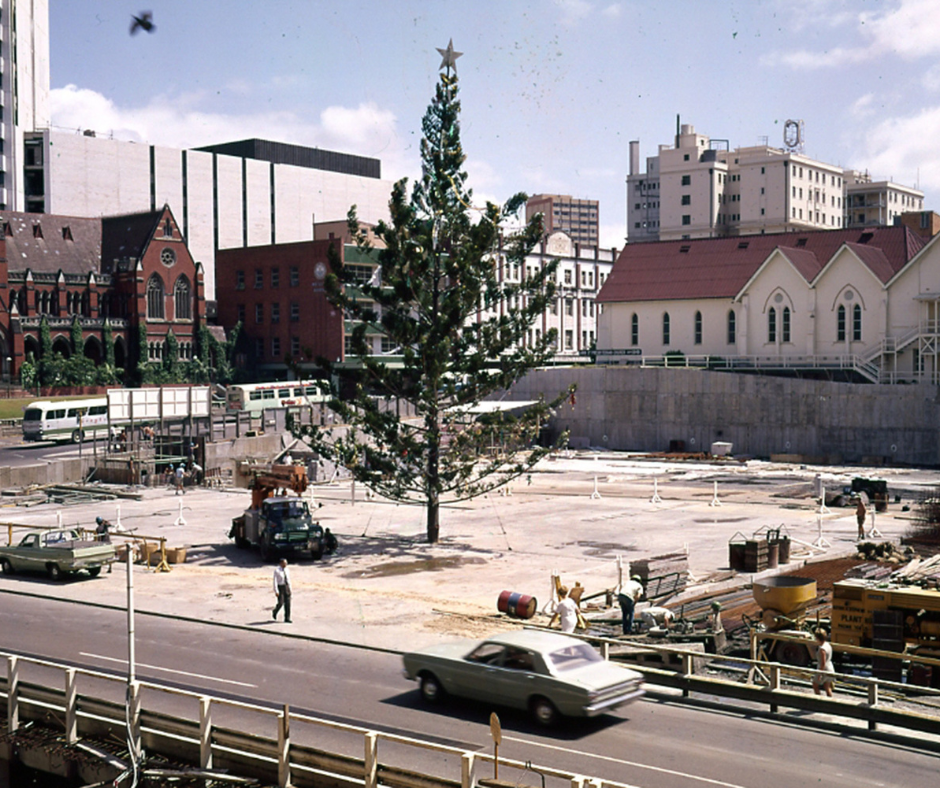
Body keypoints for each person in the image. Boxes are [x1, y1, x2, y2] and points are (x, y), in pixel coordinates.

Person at [813, 628, 835, 697]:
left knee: (815, 684)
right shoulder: (827, 645)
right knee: (827, 687)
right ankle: (831, 702)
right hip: (830, 668)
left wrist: (819, 674)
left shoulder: (822, 649)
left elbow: (823, 663)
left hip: (824, 669)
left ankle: (819, 700)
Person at [272, 558, 292, 623]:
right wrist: (276, 591)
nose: (286, 564)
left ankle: (287, 618)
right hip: (280, 587)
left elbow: (289, 580)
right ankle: (275, 611)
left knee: (288, 603)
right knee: (281, 602)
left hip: (286, 587)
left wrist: (290, 589)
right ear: (281, 563)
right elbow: (275, 581)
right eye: (284, 563)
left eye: (286, 563)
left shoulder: (287, 570)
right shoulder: (277, 571)